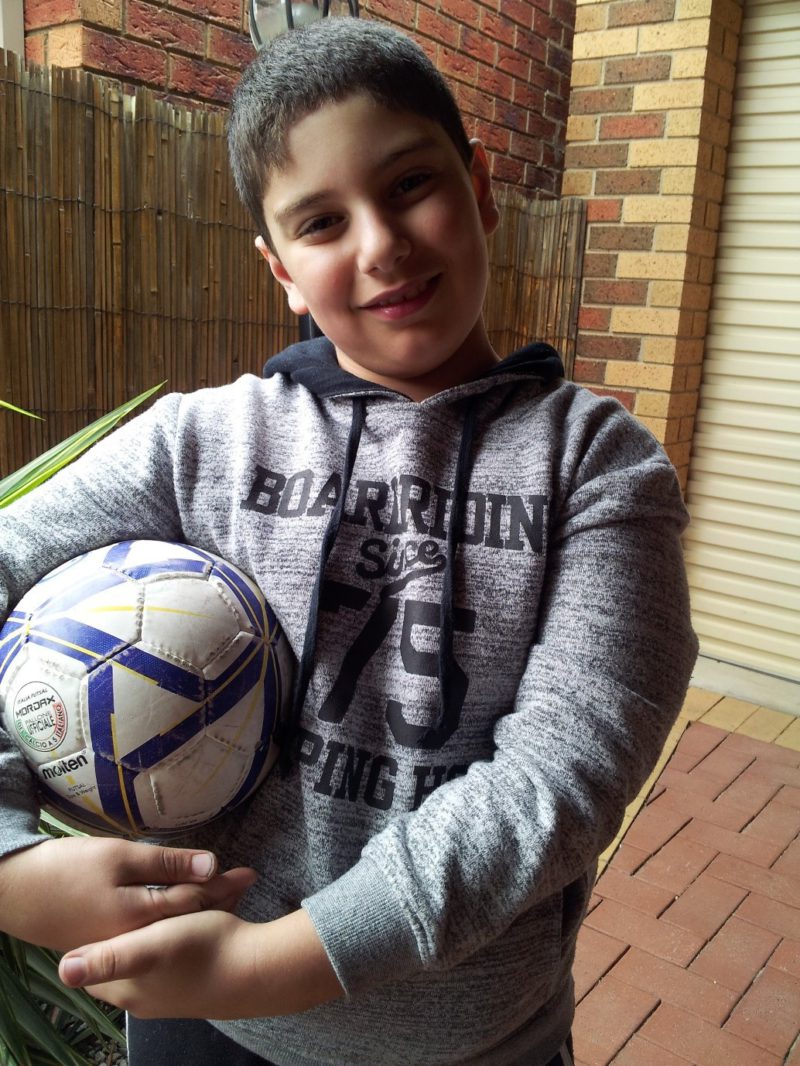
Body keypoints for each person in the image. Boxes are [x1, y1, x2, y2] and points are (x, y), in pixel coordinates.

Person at [0, 18, 698, 1066]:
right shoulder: (203, 444)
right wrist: (5, 859)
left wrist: (270, 962)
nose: (379, 244)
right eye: (321, 222)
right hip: (199, 1030)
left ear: (478, 190)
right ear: (278, 266)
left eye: (409, 184)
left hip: (472, 1046)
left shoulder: (598, 467)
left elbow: (563, 772)